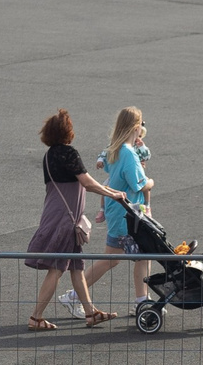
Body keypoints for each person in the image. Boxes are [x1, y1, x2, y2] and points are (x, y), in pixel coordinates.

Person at [26, 110, 129, 329]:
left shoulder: (50, 155)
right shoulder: (68, 153)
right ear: (68, 132)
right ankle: (36, 317)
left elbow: (87, 183)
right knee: (57, 268)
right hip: (66, 220)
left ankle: (91, 313)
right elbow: (88, 183)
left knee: (76, 267)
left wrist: (110, 191)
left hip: (55, 215)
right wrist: (113, 194)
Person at [76, 107, 156, 325]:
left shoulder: (115, 149)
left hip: (116, 211)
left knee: (118, 257)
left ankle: (75, 295)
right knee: (131, 256)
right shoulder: (129, 153)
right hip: (128, 215)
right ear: (136, 127)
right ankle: (140, 301)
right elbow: (138, 183)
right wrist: (151, 182)